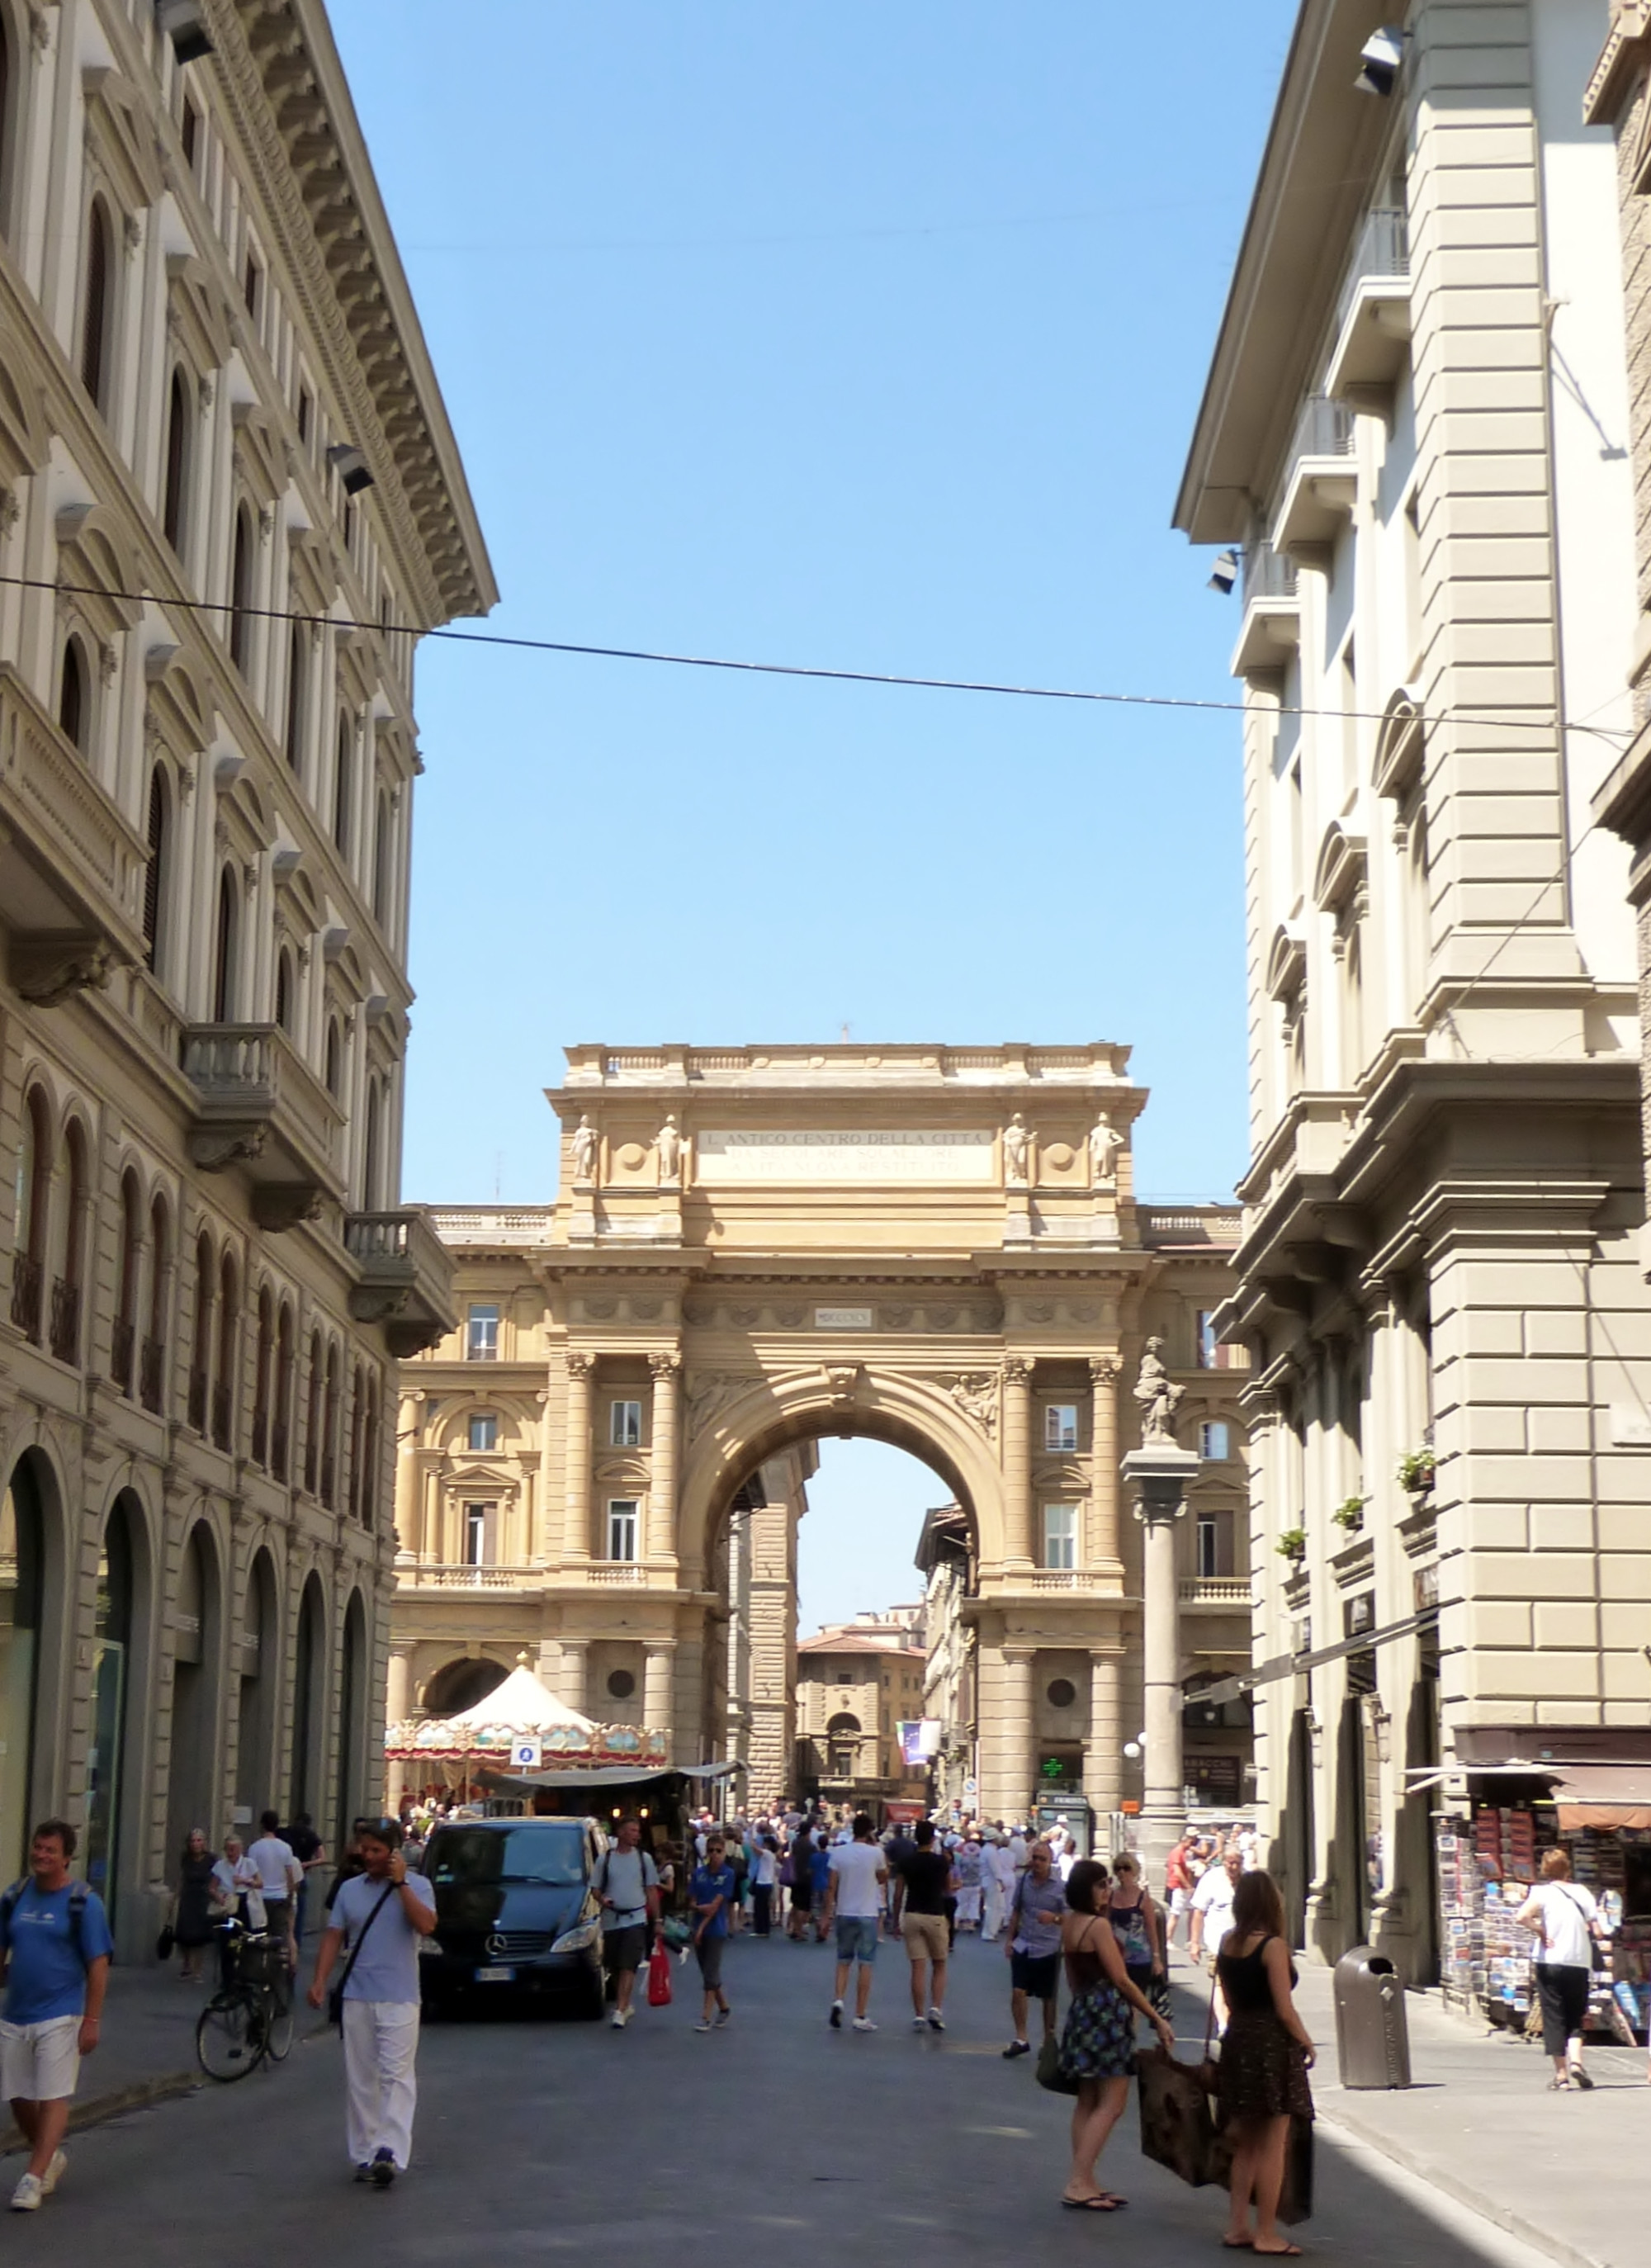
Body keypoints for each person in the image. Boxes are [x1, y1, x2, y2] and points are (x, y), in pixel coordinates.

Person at [306, 1817, 437, 2187]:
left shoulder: (419, 1886)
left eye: (375, 1850)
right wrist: (319, 1980)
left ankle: (389, 2151)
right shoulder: (349, 1890)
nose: (366, 1855)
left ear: (394, 1853)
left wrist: (401, 1885)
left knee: (397, 2076)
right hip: (358, 1994)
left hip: (400, 1996)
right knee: (362, 2078)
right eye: (364, 1848)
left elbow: (426, 1926)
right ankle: (364, 2152)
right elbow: (334, 1936)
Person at [1, 1818, 114, 2214]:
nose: (41, 1855)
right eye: (38, 1847)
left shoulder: (84, 1902)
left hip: (61, 2013)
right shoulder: (15, 1895)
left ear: (67, 1858)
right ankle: (49, 2156)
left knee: (52, 2095)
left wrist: (92, 2020)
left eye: (51, 1850)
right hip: (15, 2011)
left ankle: (33, 2177)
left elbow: (98, 1964)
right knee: (16, 2094)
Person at [1056, 1858, 1174, 2211]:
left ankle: (1086, 2178)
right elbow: (1122, 1979)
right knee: (1113, 2102)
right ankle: (1078, 2181)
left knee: (1089, 2100)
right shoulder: (1098, 1927)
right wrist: (1156, 2017)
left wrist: (1081, 2005)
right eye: (1101, 1885)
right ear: (1087, 1890)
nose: (1108, 1889)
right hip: (1107, 2012)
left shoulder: (1071, 1923)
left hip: (1083, 2010)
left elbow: (1073, 1975)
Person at [1215, 1868, 1315, 2255]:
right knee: (1274, 2142)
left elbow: (1229, 1996)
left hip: (1239, 2038)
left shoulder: (1227, 1942)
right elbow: (1284, 2008)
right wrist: (1306, 2042)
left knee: (1246, 2142)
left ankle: (1237, 2226)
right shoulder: (1272, 1946)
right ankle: (1267, 2232)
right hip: (1270, 2042)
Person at [1516, 1848, 1603, 2090]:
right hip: (1578, 1962)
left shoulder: (1541, 1892)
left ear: (1545, 1870)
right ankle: (1577, 2062)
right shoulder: (1583, 1892)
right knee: (1576, 2014)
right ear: (1568, 1868)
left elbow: (1521, 1916)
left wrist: (1540, 1931)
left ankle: (1562, 2076)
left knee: (1553, 2017)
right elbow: (1597, 1931)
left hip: (1550, 1961)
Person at [1001, 1837, 1068, 2058]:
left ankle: (1048, 2040)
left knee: (1048, 1998)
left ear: (1050, 1861)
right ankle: (1021, 2038)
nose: (1037, 1862)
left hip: (1048, 1947)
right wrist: (1010, 1940)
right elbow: (1016, 1911)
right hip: (1024, 1945)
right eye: (1035, 1858)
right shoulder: (1023, 1882)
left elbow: (1070, 1918)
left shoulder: (1060, 1888)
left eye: (1042, 1859)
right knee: (1018, 1992)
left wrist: (1055, 1918)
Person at [822, 1813, 887, 2032]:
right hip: (867, 1913)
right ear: (869, 1831)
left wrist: (827, 1914)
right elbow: (883, 1877)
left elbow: (831, 1886)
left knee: (843, 1961)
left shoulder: (838, 1853)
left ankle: (838, 1999)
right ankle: (860, 2014)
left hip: (844, 1911)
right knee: (866, 1964)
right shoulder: (876, 1853)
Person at [595, 1816, 659, 2029]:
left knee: (628, 1964)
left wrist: (657, 1919)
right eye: (632, 1830)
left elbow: (651, 1890)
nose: (636, 1835)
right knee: (613, 1965)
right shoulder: (605, 1859)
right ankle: (625, 2003)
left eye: (637, 1831)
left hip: (636, 1918)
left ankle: (620, 2009)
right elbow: (595, 1888)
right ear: (621, 1832)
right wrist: (602, 1899)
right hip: (612, 1919)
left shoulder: (644, 1859)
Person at [894, 1820, 955, 2032]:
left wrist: (895, 1920)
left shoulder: (906, 1861)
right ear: (932, 1839)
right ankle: (935, 2009)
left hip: (912, 1913)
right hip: (935, 1914)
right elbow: (949, 1889)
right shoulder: (942, 1862)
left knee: (917, 1967)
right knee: (939, 1964)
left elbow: (899, 1892)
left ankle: (918, 2015)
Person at [1106, 1854, 1164, 2015]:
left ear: (1134, 1871)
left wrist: (1157, 1958)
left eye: (1126, 1868)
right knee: (1115, 2001)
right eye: (1118, 1868)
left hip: (1139, 1958)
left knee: (1135, 2003)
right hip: (1116, 1957)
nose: (1122, 1873)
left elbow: (1152, 1929)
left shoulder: (1143, 1898)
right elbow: (1104, 1924)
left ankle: (1131, 2038)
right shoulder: (1110, 1896)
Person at [689, 1835, 736, 2031]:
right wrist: (699, 1909)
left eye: (719, 1851)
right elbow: (692, 1900)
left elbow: (716, 1906)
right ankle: (724, 2007)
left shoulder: (728, 1874)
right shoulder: (699, 1873)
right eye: (711, 1851)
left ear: (724, 1852)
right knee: (709, 1973)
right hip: (699, 1923)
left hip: (715, 1928)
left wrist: (700, 1927)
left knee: (710, 1972)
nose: (715, 1855)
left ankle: (705, 2016)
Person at [247, 1810, 301, 1966]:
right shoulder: (285, 1848)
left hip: (260, 1899)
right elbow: (290, 1875)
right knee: (280, 1938)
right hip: (280, 1897)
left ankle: (259, 1969)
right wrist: (291, 1897)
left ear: (262, 1825)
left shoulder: (255, 1848)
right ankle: (279, 1972)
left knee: (259, 1938)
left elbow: (251, 1874)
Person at [171, 1829, 217, 1983]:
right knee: (184, 1934)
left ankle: (197, 1970)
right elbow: (181, 1878)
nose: (196, 1844)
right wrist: (174, 1897)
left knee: (200, 1937)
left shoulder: (211, 1859)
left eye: (199, 1840)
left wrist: (215, 1896)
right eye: (193, 1840)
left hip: (203, 1898)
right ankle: (186, 1966)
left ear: (204, 1842)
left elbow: (216, 1879)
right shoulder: (186, 1858)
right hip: (188, 1897)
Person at [1190, 1844, 1246, 1971]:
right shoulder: (1211, 1878)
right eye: (1231, 1863)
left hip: (1244, 1945)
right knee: (1219, 1982)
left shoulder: (1248, 1879)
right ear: (1224, 1862)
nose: (1235, 1867)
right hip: (1217, 1943)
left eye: (1238, 1863)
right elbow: (1198, 1911)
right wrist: (1195, 1943)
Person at [281, 1812, 327, 1944]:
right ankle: (296, 1943)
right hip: (302, 1874)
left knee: (283, 1911)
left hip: (284, 1875)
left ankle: (284, 1941)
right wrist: (306, 1864)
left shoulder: (286, 1832)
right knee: (299, 1911)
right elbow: (323, 1858)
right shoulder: (311, 1836)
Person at [983, 1833, 1015, 1942]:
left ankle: (991, 1930)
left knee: (994, 1906)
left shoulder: (987, 1850)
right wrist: (1000, 1881)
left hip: (989, 1880)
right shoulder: (992, 1852)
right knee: (995, 1907)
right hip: (994, 1881)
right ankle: (990, 1932)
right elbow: (995, 1869)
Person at [1165, 1831, 1195, 1949]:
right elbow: (1178, 1872)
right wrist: (1188, 1886)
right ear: (1184, 1840)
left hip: (1182, 1887)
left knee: (1192, 1911)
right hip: (1179, 1887)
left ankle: (1190, 1940)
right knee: (1175, 1914)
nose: (1191, 1843)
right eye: (1190, 1841)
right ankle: (1169, 1940)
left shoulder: (1182, 1853)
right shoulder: (1177, 1852)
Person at [953, 1835, 984, 1932]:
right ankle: (971, 1924)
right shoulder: (979, 1861)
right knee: (974, 1904)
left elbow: (958, 1871)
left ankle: (957, 1923)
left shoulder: (963, 1860)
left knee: (961, 1904)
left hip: (963, 1884)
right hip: (976, 1884)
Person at [751, 1835, 778, 1937]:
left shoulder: (766, 1853)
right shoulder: (772, 1855)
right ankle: (765, 1929)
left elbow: (755, 1850)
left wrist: (752, 1840)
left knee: (759, 1908)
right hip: (768, 1882)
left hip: (762, 1882)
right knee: (764, 1908)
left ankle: (760, 1929)